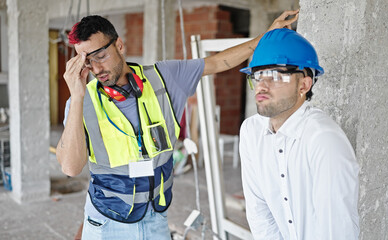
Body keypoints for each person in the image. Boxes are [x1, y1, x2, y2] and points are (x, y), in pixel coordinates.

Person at [56, 10, 299, 240]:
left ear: (119, 46)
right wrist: (76, 97)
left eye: (101, 57)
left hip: (155, 219)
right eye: (88, 63)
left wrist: (267, 37)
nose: (97, 69)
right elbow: (70, 167)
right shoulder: (82, 102)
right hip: (107, 223)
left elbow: (219, 62)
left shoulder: (165, 77)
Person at [239, 28, 359, 239]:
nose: (261, 87)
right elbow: (260, 214)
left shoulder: (324, 140)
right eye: (258, 76)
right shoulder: (251, 132)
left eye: (275, 76)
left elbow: (336, 230)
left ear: (304, 84)